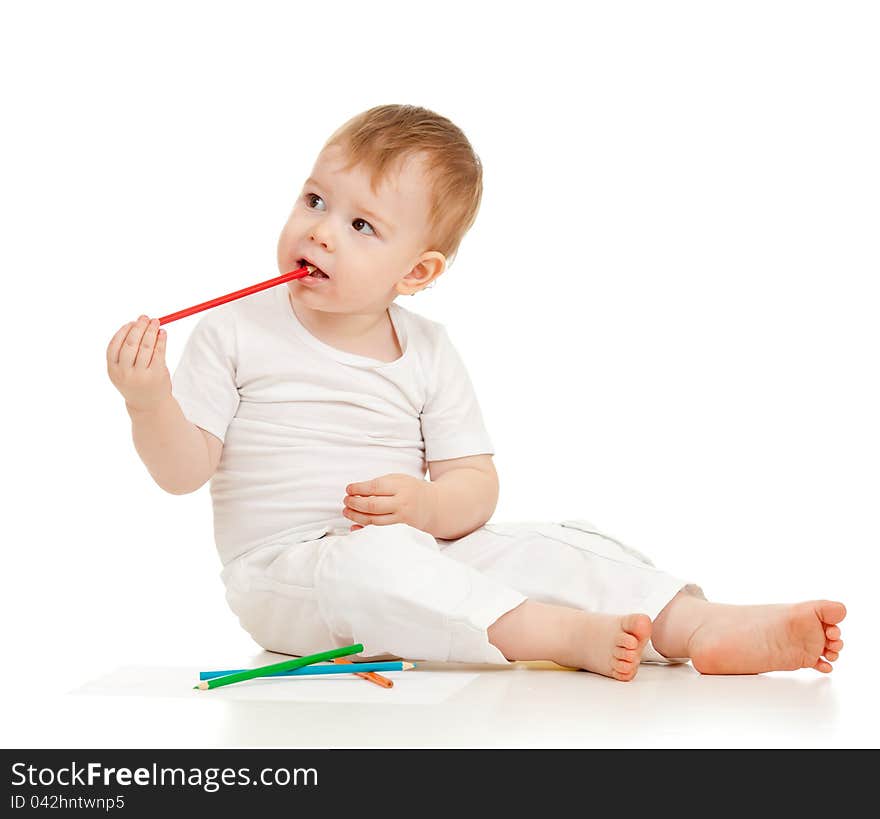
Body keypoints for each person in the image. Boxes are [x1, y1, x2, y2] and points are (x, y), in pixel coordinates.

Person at [106, 104, 845, 681]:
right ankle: (557, 636)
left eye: (361, 223)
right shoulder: (234, 332)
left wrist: (428, 506)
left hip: (416, 545)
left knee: (554, 544)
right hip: (286, 577)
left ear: (417, 272)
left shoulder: (427, 349)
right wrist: (149, 401)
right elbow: (182, 471)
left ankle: (696, 624)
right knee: (378, 566)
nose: (321, 231)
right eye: (314, 200)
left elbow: (474, 488)